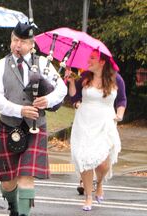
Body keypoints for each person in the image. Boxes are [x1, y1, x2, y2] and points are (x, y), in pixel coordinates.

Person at [0, 22, 67, 216]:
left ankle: (23, 214)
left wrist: (47, 100)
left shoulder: (42, 64)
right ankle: (14, 208)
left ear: (32, 44)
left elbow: (62, 89)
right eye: (15, 40)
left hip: (35, 128)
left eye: (22, 42)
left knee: (26, 177)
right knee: (7, 183)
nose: (17, 45)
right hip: (9, 126)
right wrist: (20, 110)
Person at [67, 49, 127, 211]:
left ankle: (99, 182)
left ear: (102, 62)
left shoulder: (116, 78)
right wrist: (71, 83)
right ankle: (88, 197)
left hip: (105, 122)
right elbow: (74, 97)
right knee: (84, 159)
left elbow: (121, 100)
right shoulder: (85, 76)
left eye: (92, 58)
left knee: (102, 163)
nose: (89, 60)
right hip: (84, 121)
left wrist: (119, 115)